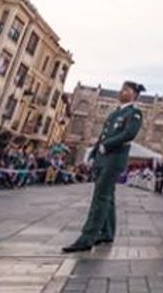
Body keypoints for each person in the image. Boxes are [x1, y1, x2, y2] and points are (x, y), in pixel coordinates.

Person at [62, 81, 145, 253]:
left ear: (135, 95)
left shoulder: (134, 113)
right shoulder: (115, 113)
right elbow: (103, 135)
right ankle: (107, 232)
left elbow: (129, 134)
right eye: (121, 89)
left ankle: (87, 237)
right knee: (108, 196)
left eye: (127, 90)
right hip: (103, 157)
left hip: (114, 158)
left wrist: (107, 145)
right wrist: (93, 154)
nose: (122, 92)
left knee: (100, 197)